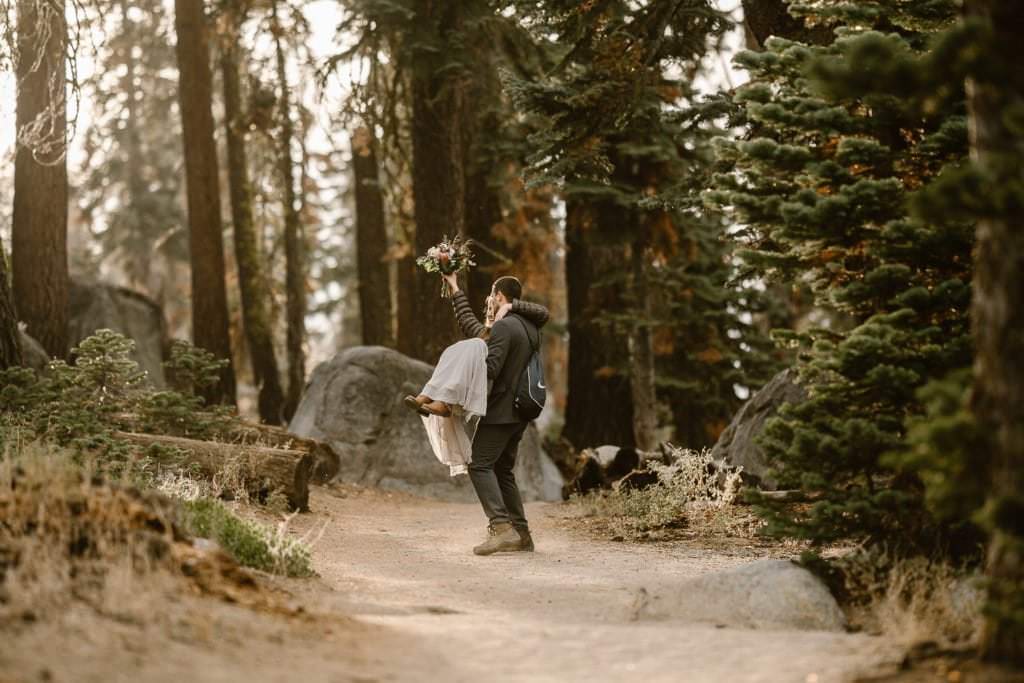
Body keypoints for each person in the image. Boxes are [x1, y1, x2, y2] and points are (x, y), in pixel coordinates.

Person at [443, 271, 549, 556]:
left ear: (500, 297)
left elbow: (490, 368)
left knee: (479, 464)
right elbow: (473, 328)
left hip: (501, 411)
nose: (488, 300)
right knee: (503, 470)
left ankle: (502, 529)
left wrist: (461, 377)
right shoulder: (529, 327)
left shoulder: (505, 327)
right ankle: (522, 534)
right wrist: (454, 288)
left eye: (492, 295)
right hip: (519, 413)